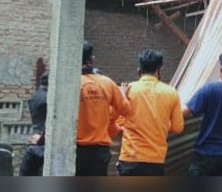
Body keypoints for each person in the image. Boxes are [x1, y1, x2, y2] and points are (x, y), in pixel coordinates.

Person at [116, 50, 184, 176]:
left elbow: (118, 124)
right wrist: (160, 124)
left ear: (139, 70)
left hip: (130, 159)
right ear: (159, 70)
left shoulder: (128, 90)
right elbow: (178, 128)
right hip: (155, 161)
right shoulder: (171, 92)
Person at [76, 41, 130, 176]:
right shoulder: (107, 83)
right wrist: (122, 93)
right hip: (99, 151)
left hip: (75, 150)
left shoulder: (69, 82)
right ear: (91, 60)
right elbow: (125, 109)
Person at [19, 71, 48, 176]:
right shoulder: (47, 98)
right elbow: (48, 122)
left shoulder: (36, 96)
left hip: (35, 134)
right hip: (41, 137)